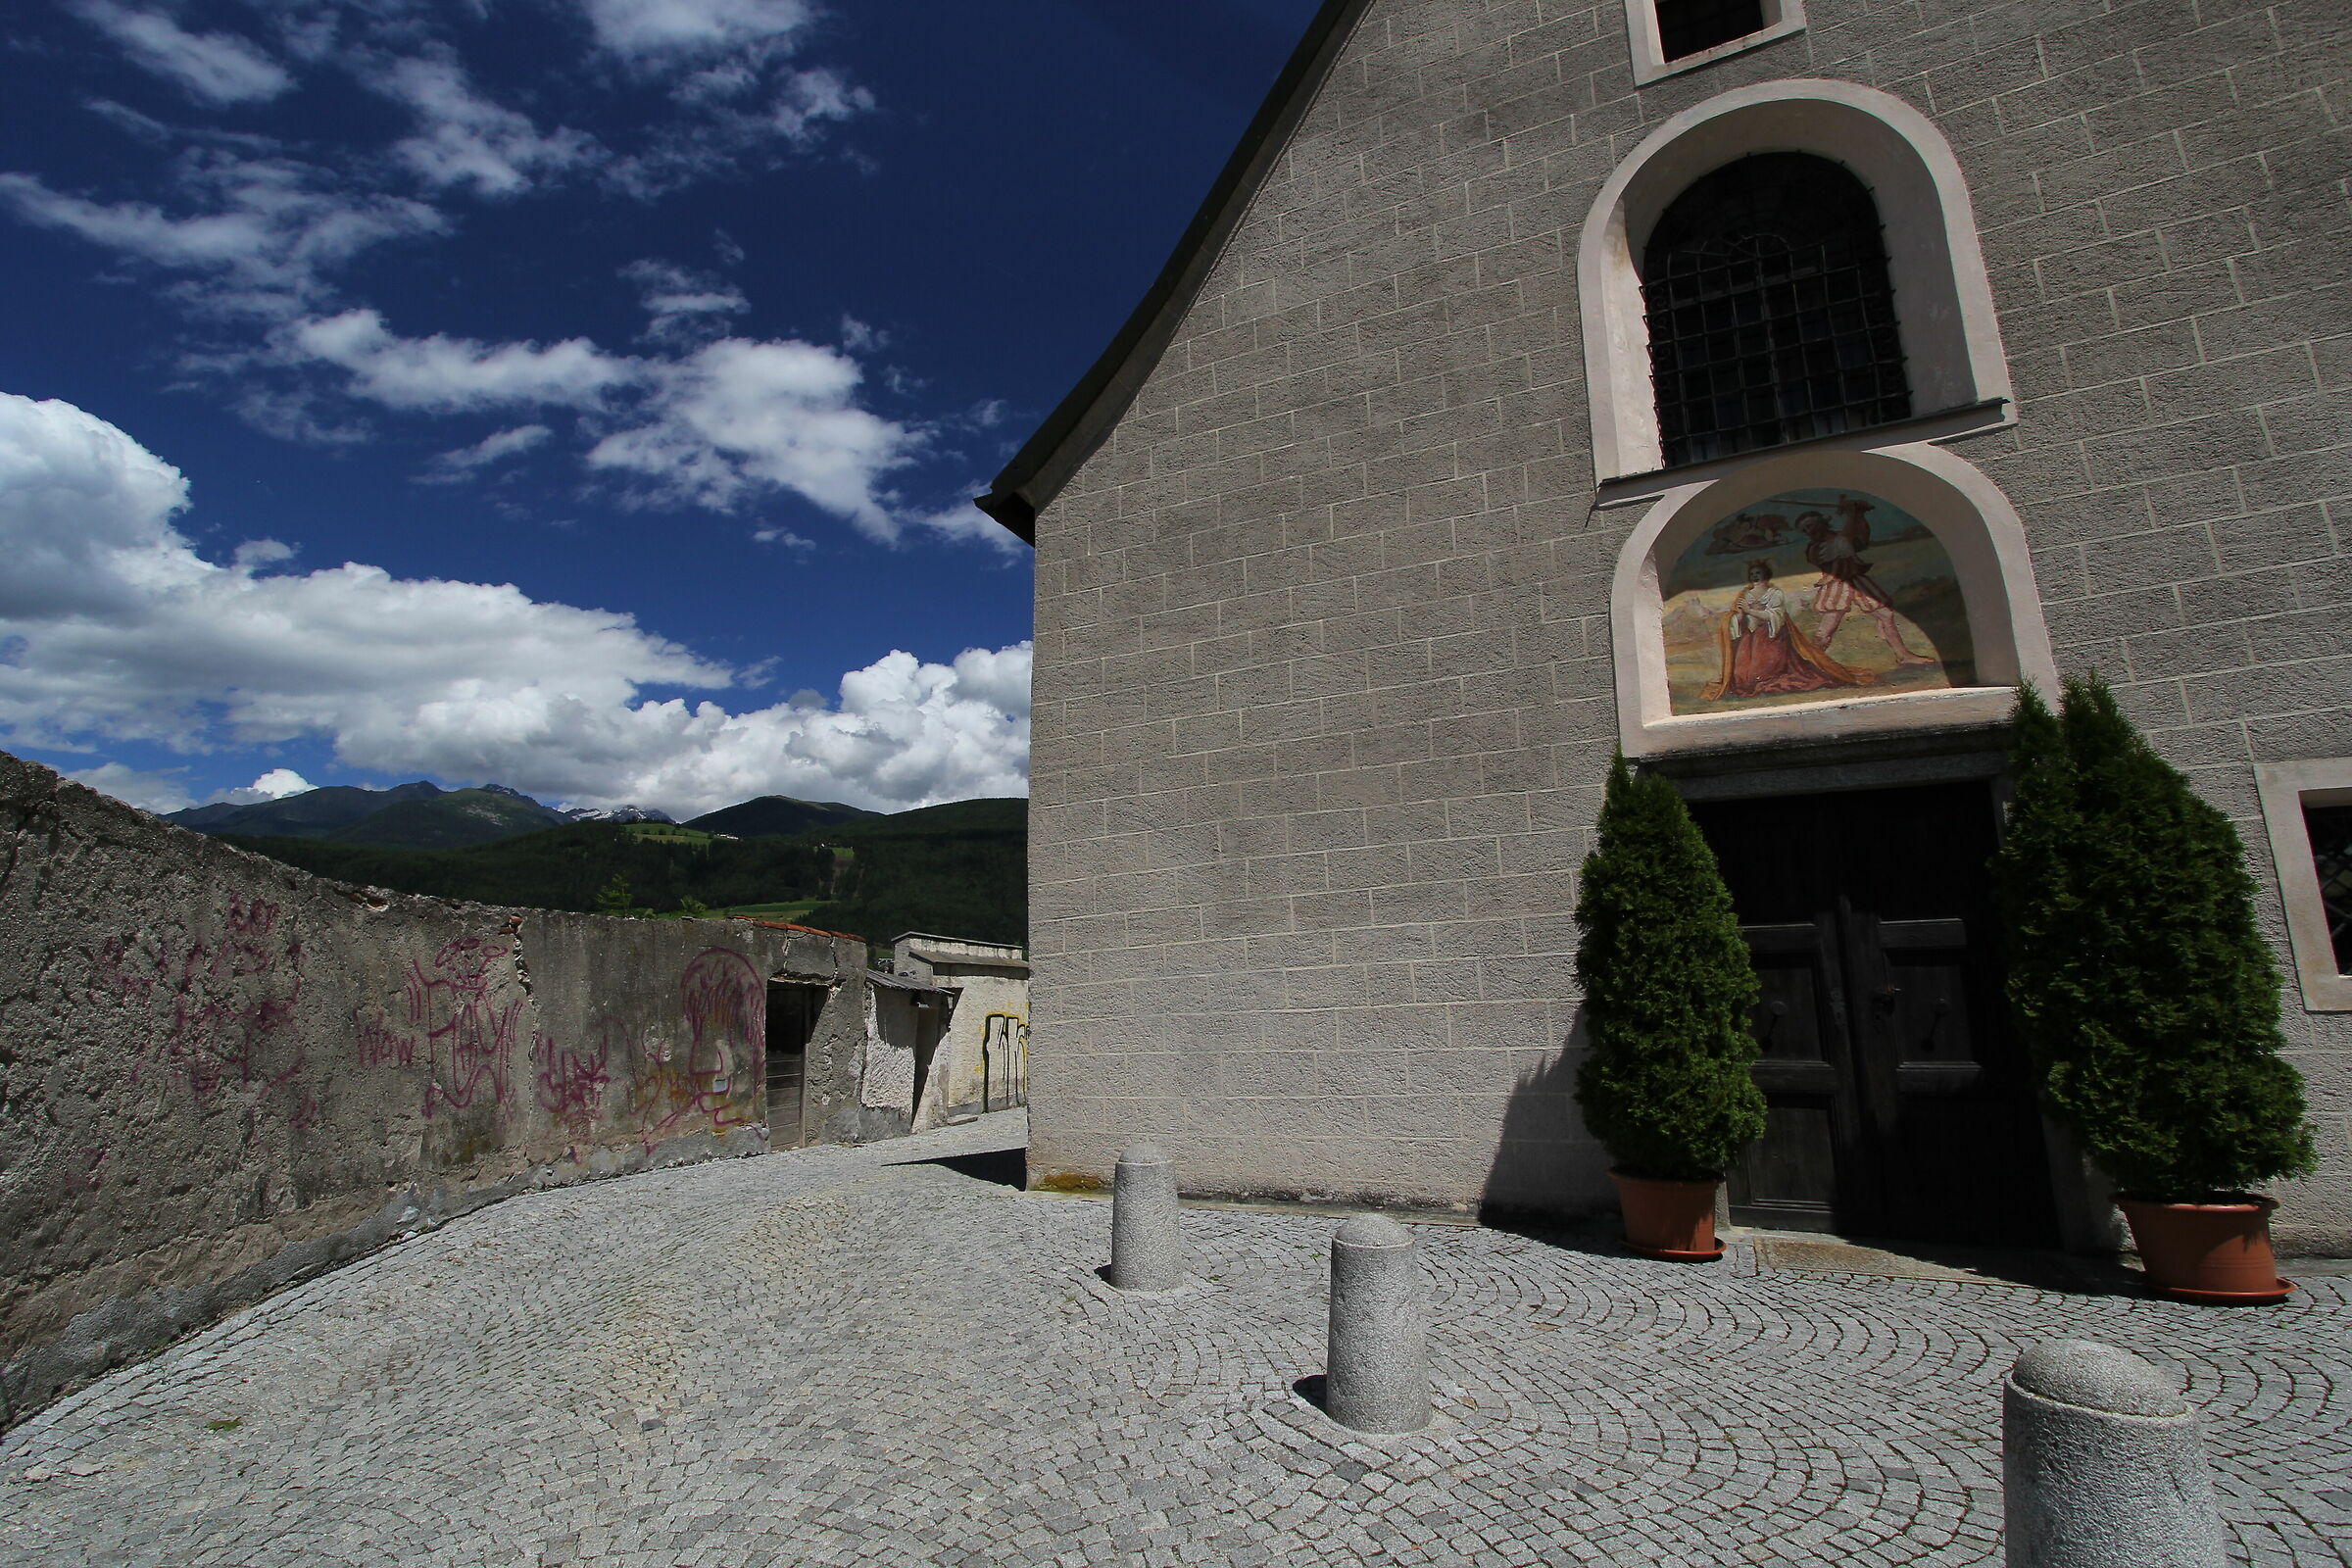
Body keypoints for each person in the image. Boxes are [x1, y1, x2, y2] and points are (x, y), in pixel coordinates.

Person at [1700, 559, 1870, 702]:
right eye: (1752, 574)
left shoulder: (1774, 594)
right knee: (1742, 677)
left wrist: (1750, 611)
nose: (1755, 576)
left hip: (1771, 638)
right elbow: (1736, 617)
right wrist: (1738, 617)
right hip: (1749, 639)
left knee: (1760, 673)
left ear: (1766, 575)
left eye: (1758, 573)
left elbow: (1776, 616)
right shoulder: (1745, 594)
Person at [1796, 495, 1937, 666]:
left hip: (1856, 581)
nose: (1809, 531)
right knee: (1827, 628)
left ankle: (1903, 655)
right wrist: (1851, 514)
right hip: (1836, 584)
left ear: (1822, 522)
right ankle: (1811, 664)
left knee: (1885, 615)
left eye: (1810, 525)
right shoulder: (1815, 548)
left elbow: (1861, 540)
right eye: (1805, 529)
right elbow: (1843, 542)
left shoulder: (1837, 536)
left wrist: (1859, 514)